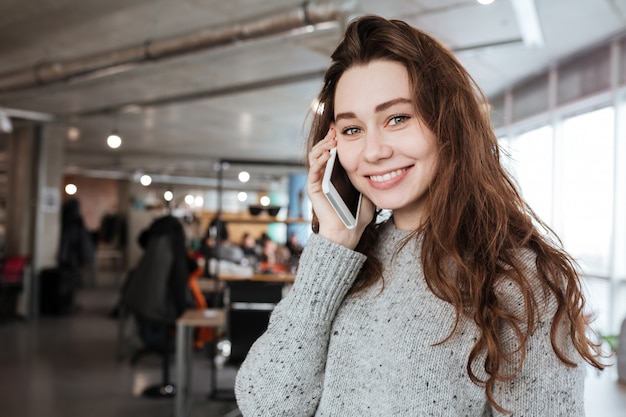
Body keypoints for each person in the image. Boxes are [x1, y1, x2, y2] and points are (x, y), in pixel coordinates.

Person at [234, 15, 606, 416]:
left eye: (397, 118)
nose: (373, 151)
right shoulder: (343, 261)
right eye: (353, 129)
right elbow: (265, 405)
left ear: (449, 124)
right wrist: (331, 247)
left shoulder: (521, 280)